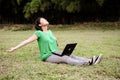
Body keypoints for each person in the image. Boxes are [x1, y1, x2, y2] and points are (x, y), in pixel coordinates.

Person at [7, 17, 103, 66]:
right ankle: (86, 63)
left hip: (55, 52)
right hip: (47, 56)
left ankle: (91, 60)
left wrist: (57, 42)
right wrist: (15, 48)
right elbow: (27, 41)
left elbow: (55, 40)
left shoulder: (50, 31)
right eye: (43, 20)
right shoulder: (38, 33)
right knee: (65, 58)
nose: (45, 20)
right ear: (40, 24)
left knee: (70, 55)